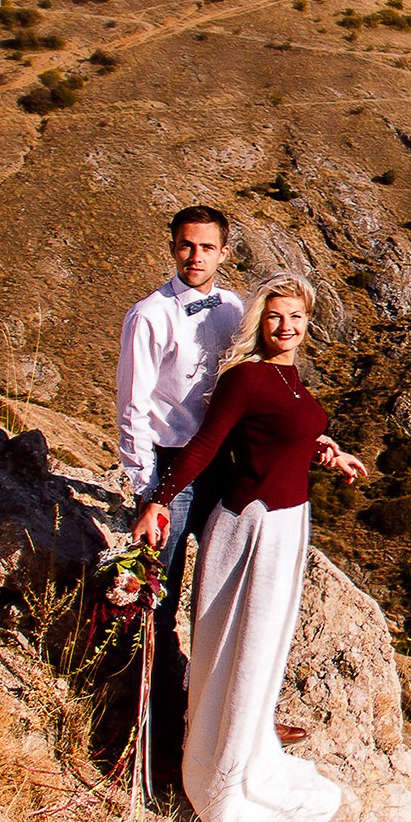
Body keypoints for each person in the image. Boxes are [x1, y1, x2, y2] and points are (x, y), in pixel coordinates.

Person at [132, 274, 370, 822]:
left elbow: (287, 430)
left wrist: (328, 451)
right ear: (259, 323)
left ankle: (244, 744)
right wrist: (159, 499)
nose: (285, 327)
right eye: (274, 318)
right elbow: (207, 444)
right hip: (252, 528)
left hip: (287, 523)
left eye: (295, 318)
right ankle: (218, 770)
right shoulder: (246, 378)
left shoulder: (289, 378)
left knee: (264, 651)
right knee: (240, 647)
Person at [114, 205, 245, 777]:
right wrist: (149, 493)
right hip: (172, 470)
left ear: (223, 251)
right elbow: (132, 408)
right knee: (157, 602)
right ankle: (147, 731)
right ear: (172, 248)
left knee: (219, 599)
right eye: (186, 246)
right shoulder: (149, 316)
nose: (196, 257)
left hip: (223, 464)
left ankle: (217, 728)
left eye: (207, 248)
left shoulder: (237, 308)